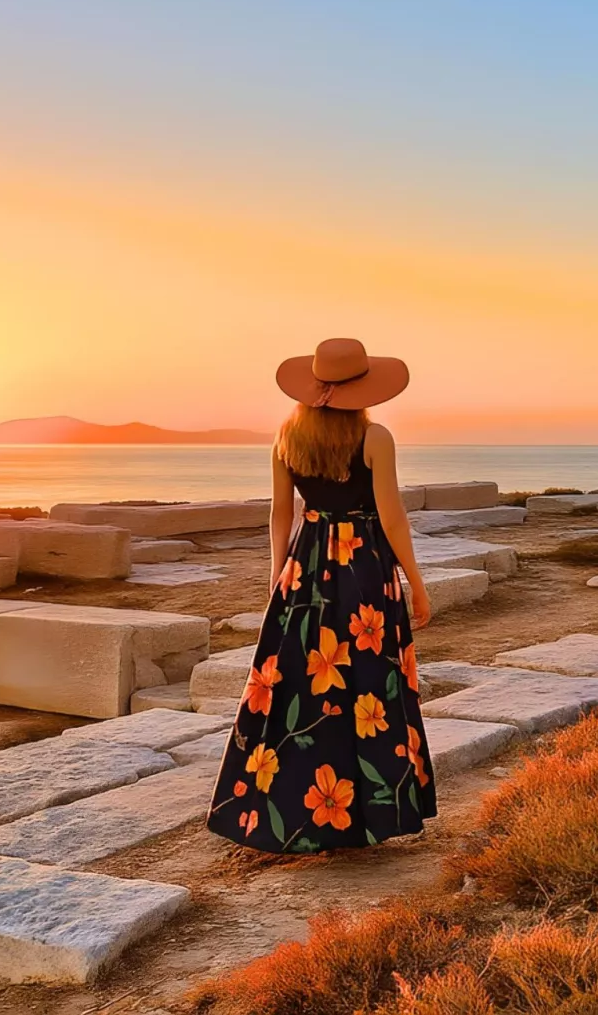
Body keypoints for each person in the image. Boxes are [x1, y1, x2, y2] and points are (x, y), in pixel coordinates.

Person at [207, 338, 437, 852]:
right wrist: (416, 584)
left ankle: (281, 812)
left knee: (297, 687)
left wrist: (278, 572)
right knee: (368, 685)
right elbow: (392, 518)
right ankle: (369, 814)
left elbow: (279, 514)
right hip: (363, 567)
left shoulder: (288, 435)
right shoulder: (375, 437)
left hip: (305, 565)